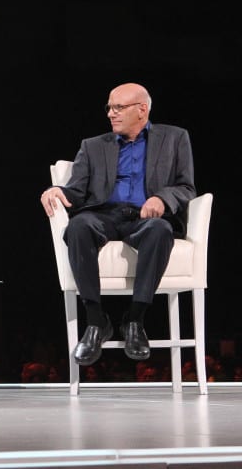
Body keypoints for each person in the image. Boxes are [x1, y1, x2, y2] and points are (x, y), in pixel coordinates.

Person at [40, 82, 195, 366]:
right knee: (77, 227)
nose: (111, 114)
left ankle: (135, 320)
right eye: (109, 108)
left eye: (119, 107)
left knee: (160, 230)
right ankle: (96, 321)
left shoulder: (174, 138)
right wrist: (58, 191)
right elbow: (76, 190)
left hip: (146, 217)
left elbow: (186, 187)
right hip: (105, 215)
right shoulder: (93, 145)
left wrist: (162, 197)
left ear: (142, 110)